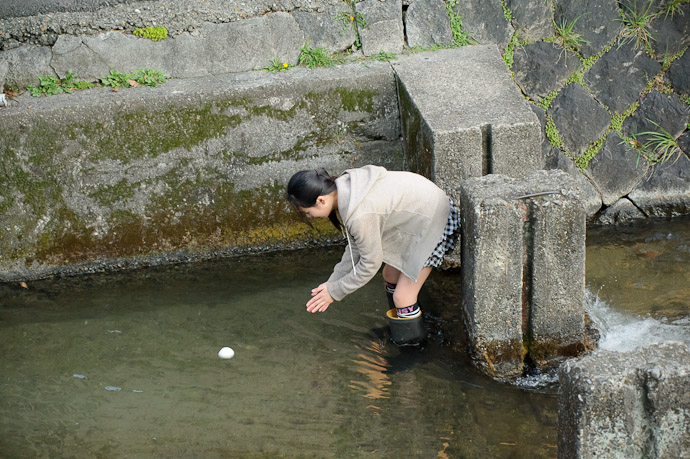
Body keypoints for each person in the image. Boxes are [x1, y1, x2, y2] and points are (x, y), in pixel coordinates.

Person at [286, 165, 460, 345]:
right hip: (418, 217)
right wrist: (332, 283)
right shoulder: (347, 189)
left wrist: (336, 291)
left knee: (402, 297)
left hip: (438, 221)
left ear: (321, 200)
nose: (311, 217)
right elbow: (355, 248)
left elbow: (369, 265)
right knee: (389, 275)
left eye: (308, 213)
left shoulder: (359, 213)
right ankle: (404, 323)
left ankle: (413, 347)